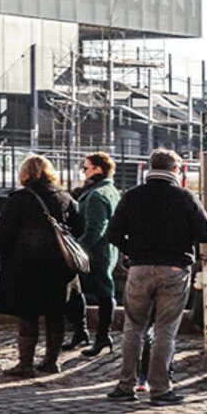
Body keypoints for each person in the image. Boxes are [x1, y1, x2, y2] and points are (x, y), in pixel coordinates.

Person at [105, 148, 207, 405]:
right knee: (165, 329)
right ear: (176, 170)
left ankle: (125, 385)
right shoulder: (185, 197)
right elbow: (205, 233)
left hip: (139, 268)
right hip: (174, 268)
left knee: (133, 328)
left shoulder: (132, 196)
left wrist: (134, 252)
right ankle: (160, 389)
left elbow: (113, 234)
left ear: (149, 167)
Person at [0, 154, 83, 378]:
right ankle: (51, 361)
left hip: (27, 266)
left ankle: (25, 364)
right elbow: (78, 229)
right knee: (56, 313)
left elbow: (3, 234)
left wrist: (9, 258)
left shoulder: (20, 199)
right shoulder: (65, 197)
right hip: (60, 267)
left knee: (28, 314)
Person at [73, 153, 122, 357]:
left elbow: (95, 229)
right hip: (106, 250)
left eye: (86, 168)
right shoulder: (110, 190)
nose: (83, 172)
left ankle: (100, 336)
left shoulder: (96, 195)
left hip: (95, 253)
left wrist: (76, 250)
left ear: (98, 170)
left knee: (101, 292)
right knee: (100, 291)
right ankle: (89, 334)